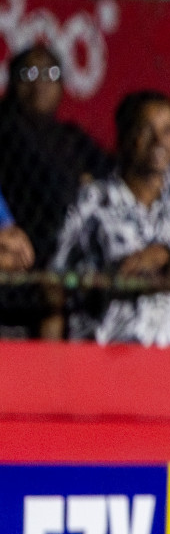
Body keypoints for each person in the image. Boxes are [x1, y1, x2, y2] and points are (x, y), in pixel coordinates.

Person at [50, 91, 170, 346]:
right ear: (124, 137)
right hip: (101, 352)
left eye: (168, 130)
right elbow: (55, 283)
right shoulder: (94, 199)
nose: (159, 141)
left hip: (167, 353)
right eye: (146, 130)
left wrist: (164, 258)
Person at [0, 44, 111, 336]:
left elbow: (107, 181)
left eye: (49, 73)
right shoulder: (6, 128)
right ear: (12, 80)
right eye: (30, 73)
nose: (40, 83)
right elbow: (52, 187)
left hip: (66, 260)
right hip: (16, 260)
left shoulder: (70, 138)